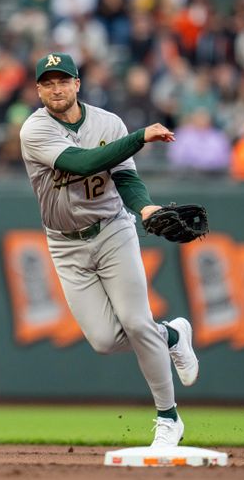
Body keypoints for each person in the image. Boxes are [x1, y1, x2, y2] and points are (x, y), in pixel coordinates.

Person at [19, 52, 199, 448]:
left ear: (77, 84)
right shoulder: (34, 130)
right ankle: (170, 335)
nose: (56, 88)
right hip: (66, 244)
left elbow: (125, 178)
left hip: (113, 231)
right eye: (48, 82)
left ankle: (168, 418)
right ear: (38, 90)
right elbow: (83, 163)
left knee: (135, 322)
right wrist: (140, 137)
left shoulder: (107, 122)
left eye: (63, 80)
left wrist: (146, 207)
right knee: (104, 340)